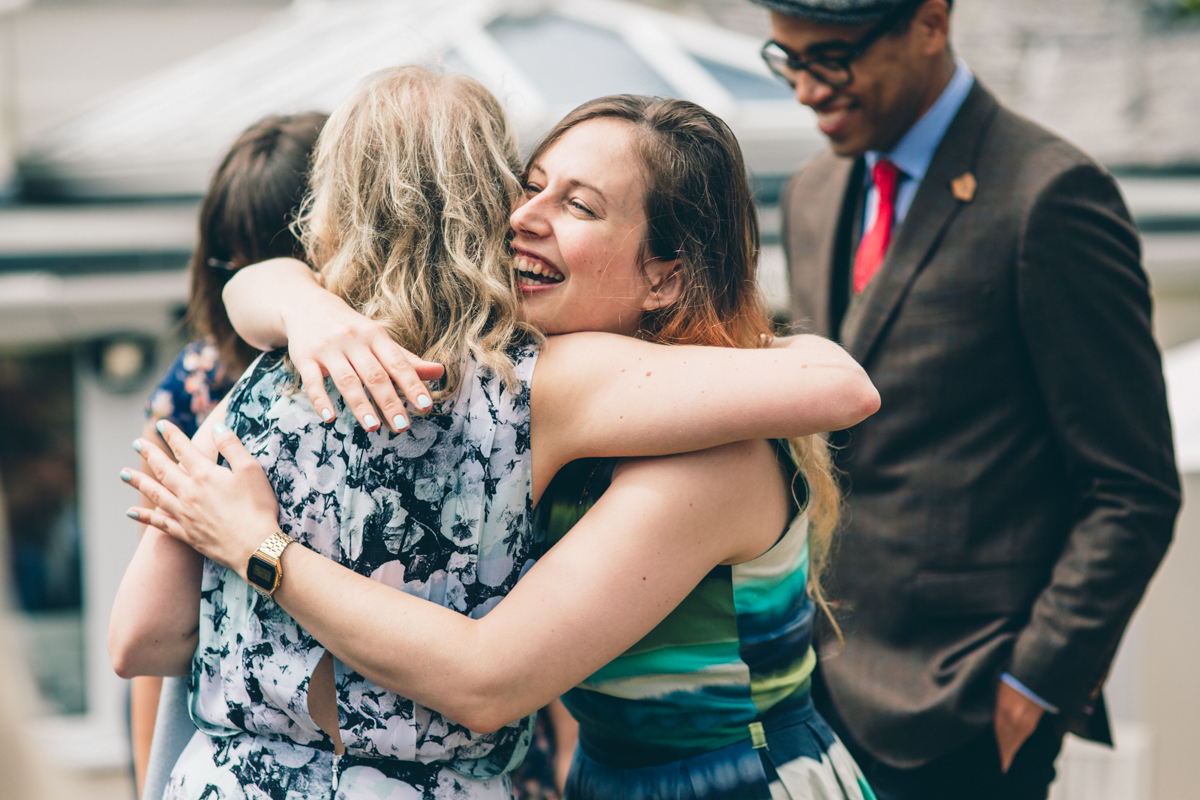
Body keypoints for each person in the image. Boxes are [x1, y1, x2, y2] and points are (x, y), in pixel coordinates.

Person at [109, 67, 878, 800]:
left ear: (666, 277)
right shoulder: (524, 384)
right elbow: (250, 288)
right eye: (528, 186)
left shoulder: (707, 454)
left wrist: (260, 547)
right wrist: (306, 306)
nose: (522, 219)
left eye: (578, 206)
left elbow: (488, 678)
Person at [747, 0, 1182, 797]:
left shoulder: (1052, 195)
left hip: (968, 709)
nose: (805, 91)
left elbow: (1133, 487)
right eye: (788, 60)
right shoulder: (811, 193)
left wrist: (1037, 685)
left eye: (831, 58)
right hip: (815, 692)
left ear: (931, 22)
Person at [132, 111, 327, 800]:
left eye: (271, 254)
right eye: (228, 260)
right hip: (232, 722)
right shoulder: (195, 389)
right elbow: (147, 639)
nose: (246, 279)